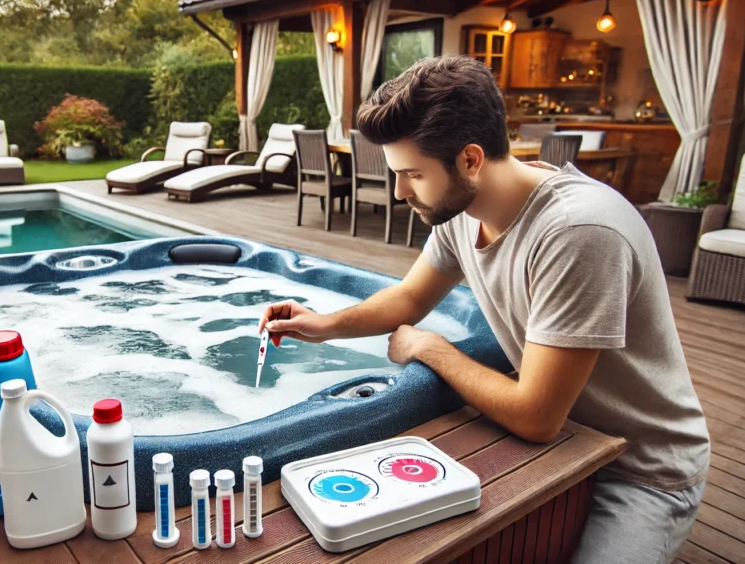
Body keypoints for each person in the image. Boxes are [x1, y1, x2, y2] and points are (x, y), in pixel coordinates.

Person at [257, 55, 710, 563]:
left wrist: (430, 348)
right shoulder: (461, 209)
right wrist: (323, 326)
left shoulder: (579, 232)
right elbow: (409, 298)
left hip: (642, 467)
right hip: (567, 439)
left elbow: (537, 416)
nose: (401, 191)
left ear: (471, 159)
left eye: (412, 174)